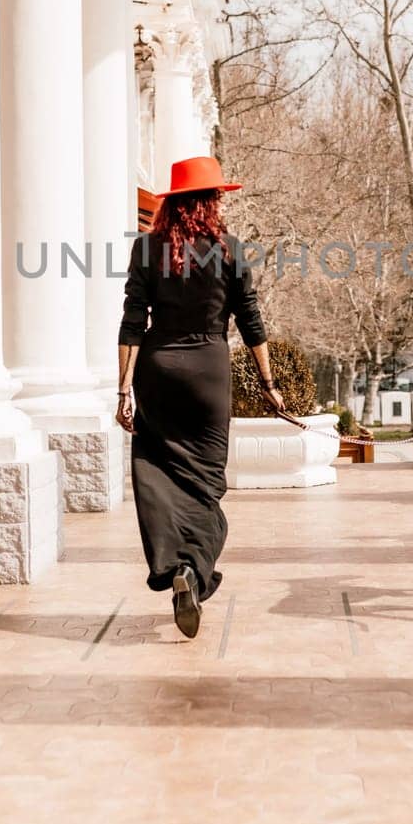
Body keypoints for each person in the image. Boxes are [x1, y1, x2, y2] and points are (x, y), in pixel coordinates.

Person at [116, 156, 283, 639]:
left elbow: (132, 321)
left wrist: (123, 389)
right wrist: (269, 385)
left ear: (171, 203)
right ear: (211, 201)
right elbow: (250, 320)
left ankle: (174, 565)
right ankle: (192, 569)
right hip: (209, 370)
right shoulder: (229, 250)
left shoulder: (147, 249)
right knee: (207, 483)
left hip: (158, 369)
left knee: (157, 473)